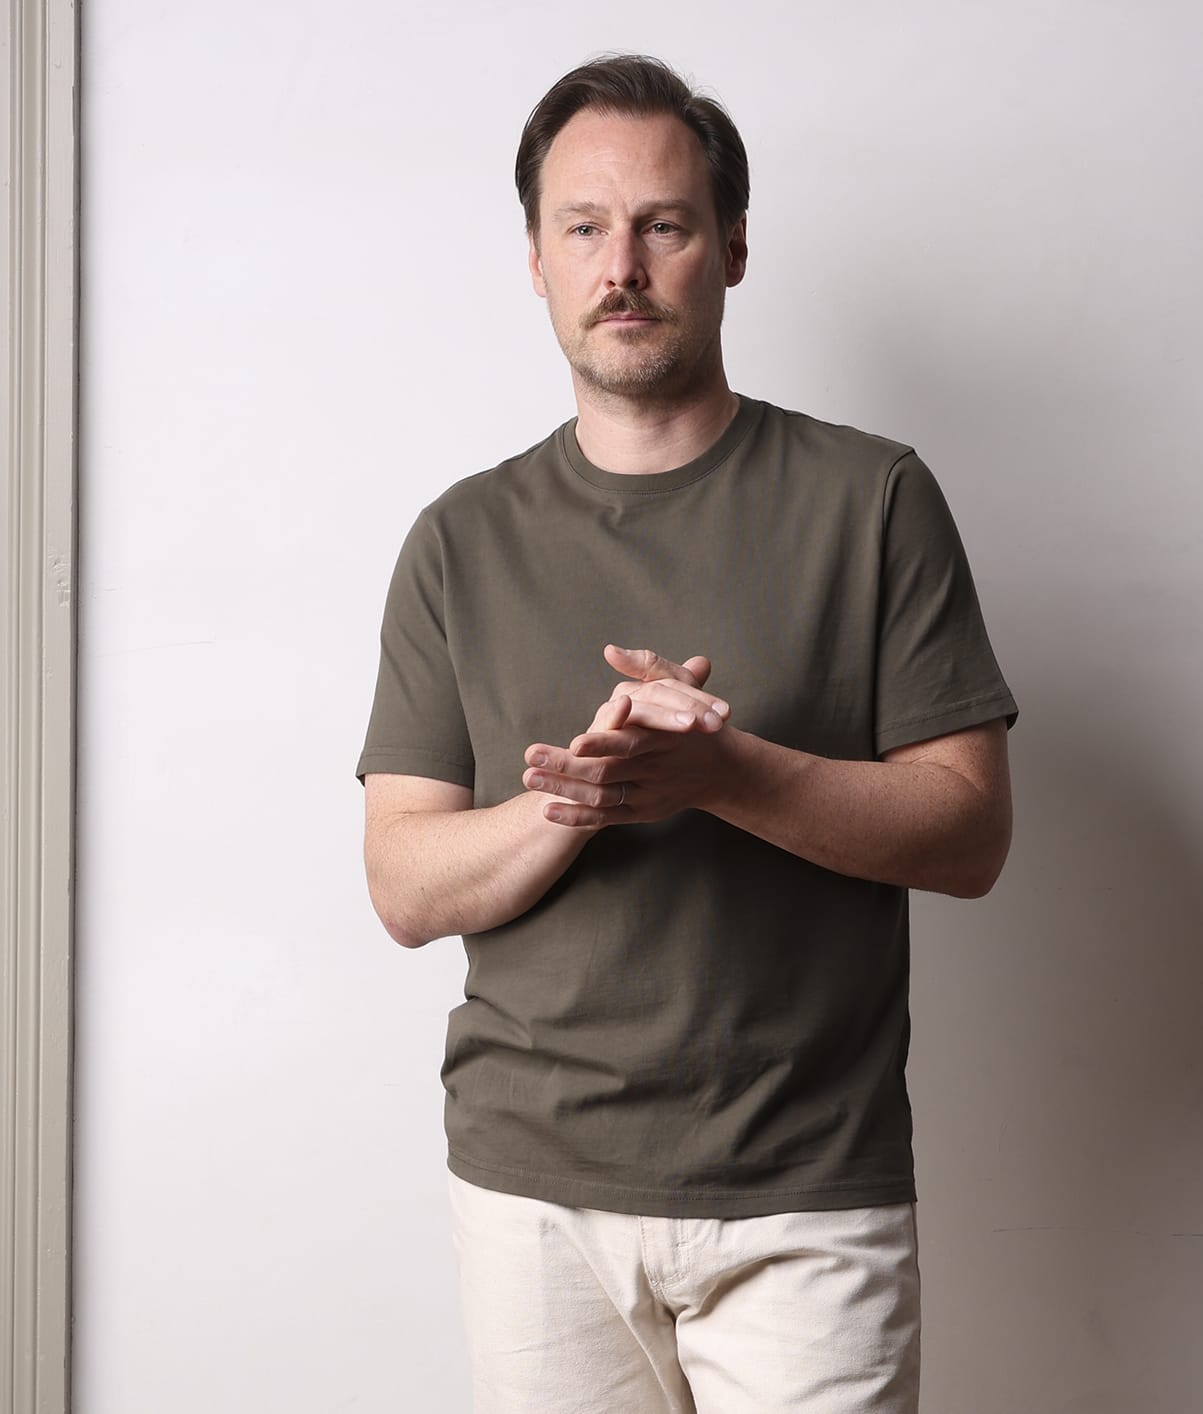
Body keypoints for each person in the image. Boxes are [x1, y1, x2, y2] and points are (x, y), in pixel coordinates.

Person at [358, 53, 1016, 1414]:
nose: (624, 265)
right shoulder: (459, 542)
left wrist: (730, 772)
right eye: (582, 227)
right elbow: (403, 883)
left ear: (731, 247)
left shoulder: (873, 500)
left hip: (808, 1198)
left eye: (662, 224)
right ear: (534, 261)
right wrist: (580, 795)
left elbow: (971, 831)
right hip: (532, 1193)